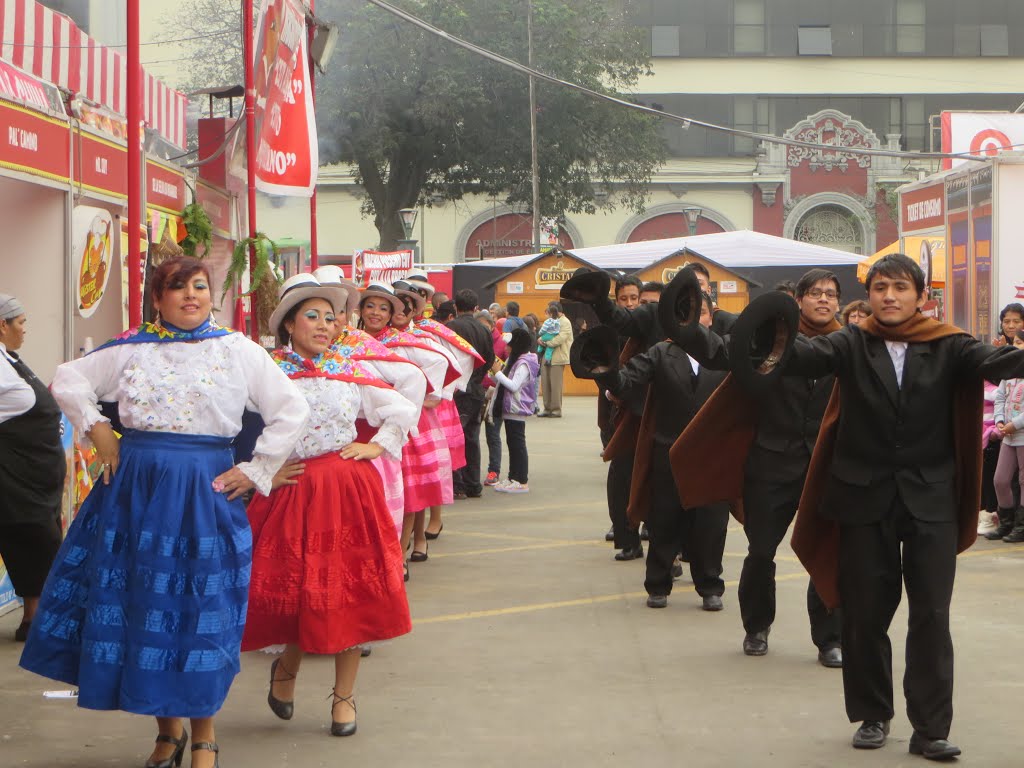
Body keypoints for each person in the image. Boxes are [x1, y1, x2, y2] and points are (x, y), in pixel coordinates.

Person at [21, 256, 308, 768]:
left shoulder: (237, 350)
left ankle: (204, 735)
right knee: (143, 602)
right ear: (158, 299)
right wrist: (99, 429)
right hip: (135, 489)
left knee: (197, 609)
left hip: (204, 490)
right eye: (177, 288)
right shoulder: (133, 348)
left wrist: (257, 469)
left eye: (200, 286)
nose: (191, 296)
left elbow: (292, 408)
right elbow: (66, 379)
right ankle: (167, 730)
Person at [780, 253, 1024, 759]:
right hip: (862, 497)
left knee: (931, 613)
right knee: (865, 613)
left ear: (921, 296)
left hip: (930, 498)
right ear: (868, 297)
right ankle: (873, 715)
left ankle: (930, 728)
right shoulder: (850, 342)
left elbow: (1000, 363)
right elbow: (800, 358)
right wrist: (760, 331)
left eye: (900, 288)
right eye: (880, 288)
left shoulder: (949, 344)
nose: (889, 296)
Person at [244, 274, 416, 739]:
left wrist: (376, 446)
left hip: (346, 491)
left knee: (350, 594)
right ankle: (288, 667)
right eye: (312, 317)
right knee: (302, 592)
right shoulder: (267, 370)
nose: (324, 325)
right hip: (292, 491)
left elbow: (402, 407)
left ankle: (344, 697)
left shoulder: (350, 368)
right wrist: (262, 470)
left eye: (331, 317)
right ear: (289, 325)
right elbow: (229, 422)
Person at [673, 268, 844, 666]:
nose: (823, 300)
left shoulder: (848, 344)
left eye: (831, 294)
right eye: (815, 292)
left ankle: (829, 639)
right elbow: (719, 351)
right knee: (761, 553)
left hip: (826, 465)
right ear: (798, 299)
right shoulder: (772, 336)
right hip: (771, 463)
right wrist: (683, 320)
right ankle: (756, 628)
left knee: (829, 551)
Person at [596, 289, 730, 610]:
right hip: (667, 452)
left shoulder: (727, 353)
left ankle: (710, 586)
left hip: (713, 457)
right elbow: (628, 380)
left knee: (711, 526)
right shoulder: (660, 353)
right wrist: (607, 372)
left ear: (712, 317)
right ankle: (658, 584)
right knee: (664, 521)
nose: (696, 321)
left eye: (702, 314)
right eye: (688, 314)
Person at [0, 294, 66, 642]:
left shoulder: (10, 359)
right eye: (20, 323)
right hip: (16, 478)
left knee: (37, 542)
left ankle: (34, 618)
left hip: (37, 477)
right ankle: (37, 619)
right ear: (3, 325)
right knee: (35, 541)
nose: (25, 330)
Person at [445, 289, 495, 499]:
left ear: (456, 307)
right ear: (476, 308)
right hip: (475, 389)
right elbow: (490, 359)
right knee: (472, 437)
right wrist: (477, 378)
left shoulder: (449, 328)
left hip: (454, 390)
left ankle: (457, 484)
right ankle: (473, 483)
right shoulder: (483, 330)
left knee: (453, 438)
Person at [489, 328, 539, 493]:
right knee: (513, 444)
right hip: (510, 409)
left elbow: (513, 385)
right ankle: (513, 477)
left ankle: (521, 480)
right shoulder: (516, 360)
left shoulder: (524, 363)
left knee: (518, 445)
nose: (506, 347)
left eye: (509, 344)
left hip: (517, 409)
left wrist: (497, 373)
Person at [991, 329, 1024, 543]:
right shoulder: (1009, 371)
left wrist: (1016, 424)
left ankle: (1021, 526)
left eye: (1021, 342)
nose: (1017, 345)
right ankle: (1007, 522)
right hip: (1008, 435)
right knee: (1000, 480)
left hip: (1021, 434)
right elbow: (1000, 398)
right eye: (1016, 341)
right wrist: (1000, 421)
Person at [537, 302, 573, 417]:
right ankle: (547, 409)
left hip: (558, 357)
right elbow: (543, 332)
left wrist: (546, 342)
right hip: (546, 356)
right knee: (545, 383)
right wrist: (540, 339)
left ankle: (556, 410)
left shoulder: (565, 322)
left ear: (556, 311)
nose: (548, 312)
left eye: (550, 310)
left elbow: (560, 338)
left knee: (555, 384)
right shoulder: (551, 321)